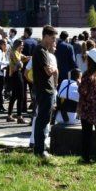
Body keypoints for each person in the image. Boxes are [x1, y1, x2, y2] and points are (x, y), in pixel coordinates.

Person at [31, 25, 59, 159]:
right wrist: (54, 68)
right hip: (44, 89)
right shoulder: (41, 50)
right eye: (53, 38)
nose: (54, 41)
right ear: (46, 36)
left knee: (43, 120)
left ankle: (39, 148)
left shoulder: (44, 51)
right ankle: (40, 150)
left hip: (47, 89)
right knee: (42, 120)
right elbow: (49, 70)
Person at [6, 39, 29, 124]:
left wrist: (27, 58)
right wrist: (22, 62)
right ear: (17, 45)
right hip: (16, 74)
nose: (22, 46)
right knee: (21, 96)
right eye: (21, 45)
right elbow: (19, 63)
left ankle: (9, 116)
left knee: (14, 96)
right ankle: (19, 117)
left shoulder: (16, 52)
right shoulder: (14, 52)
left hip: (14, 74)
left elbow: (24, 58)